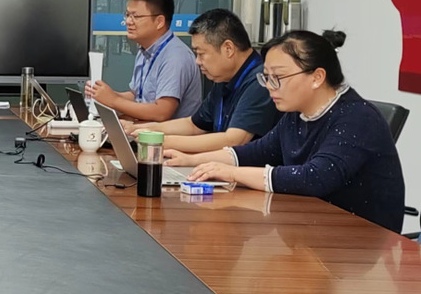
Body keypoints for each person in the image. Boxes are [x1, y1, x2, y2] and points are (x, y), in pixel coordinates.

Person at [167, 30, 406, 232]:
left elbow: (314, 178)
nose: (270, 87)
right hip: (311, 229)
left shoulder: (357, 118)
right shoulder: (296, 114)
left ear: (317, 77)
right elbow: (256, 152)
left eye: (278, 77)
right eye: (267, 77)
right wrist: (190, 160)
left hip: (360, 242)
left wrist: (232, 174)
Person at [127, 9, 279, 153]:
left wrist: (161, 141)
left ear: (228, 49)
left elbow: (234, 140)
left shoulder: (260, 80)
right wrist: (141, 129)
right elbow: (193, 125)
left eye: (201, 54)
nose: (197, 61)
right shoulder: (224, 78)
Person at [86, 0, 202, 121]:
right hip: (142, 130)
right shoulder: (144, 50)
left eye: (136, 16)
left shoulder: (176, 57)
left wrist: (113, 100)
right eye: (127, 15)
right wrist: (102, 94)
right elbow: (136, 97)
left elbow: (161, 112)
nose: (128, 21)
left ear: (159, 21)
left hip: (167, 134)